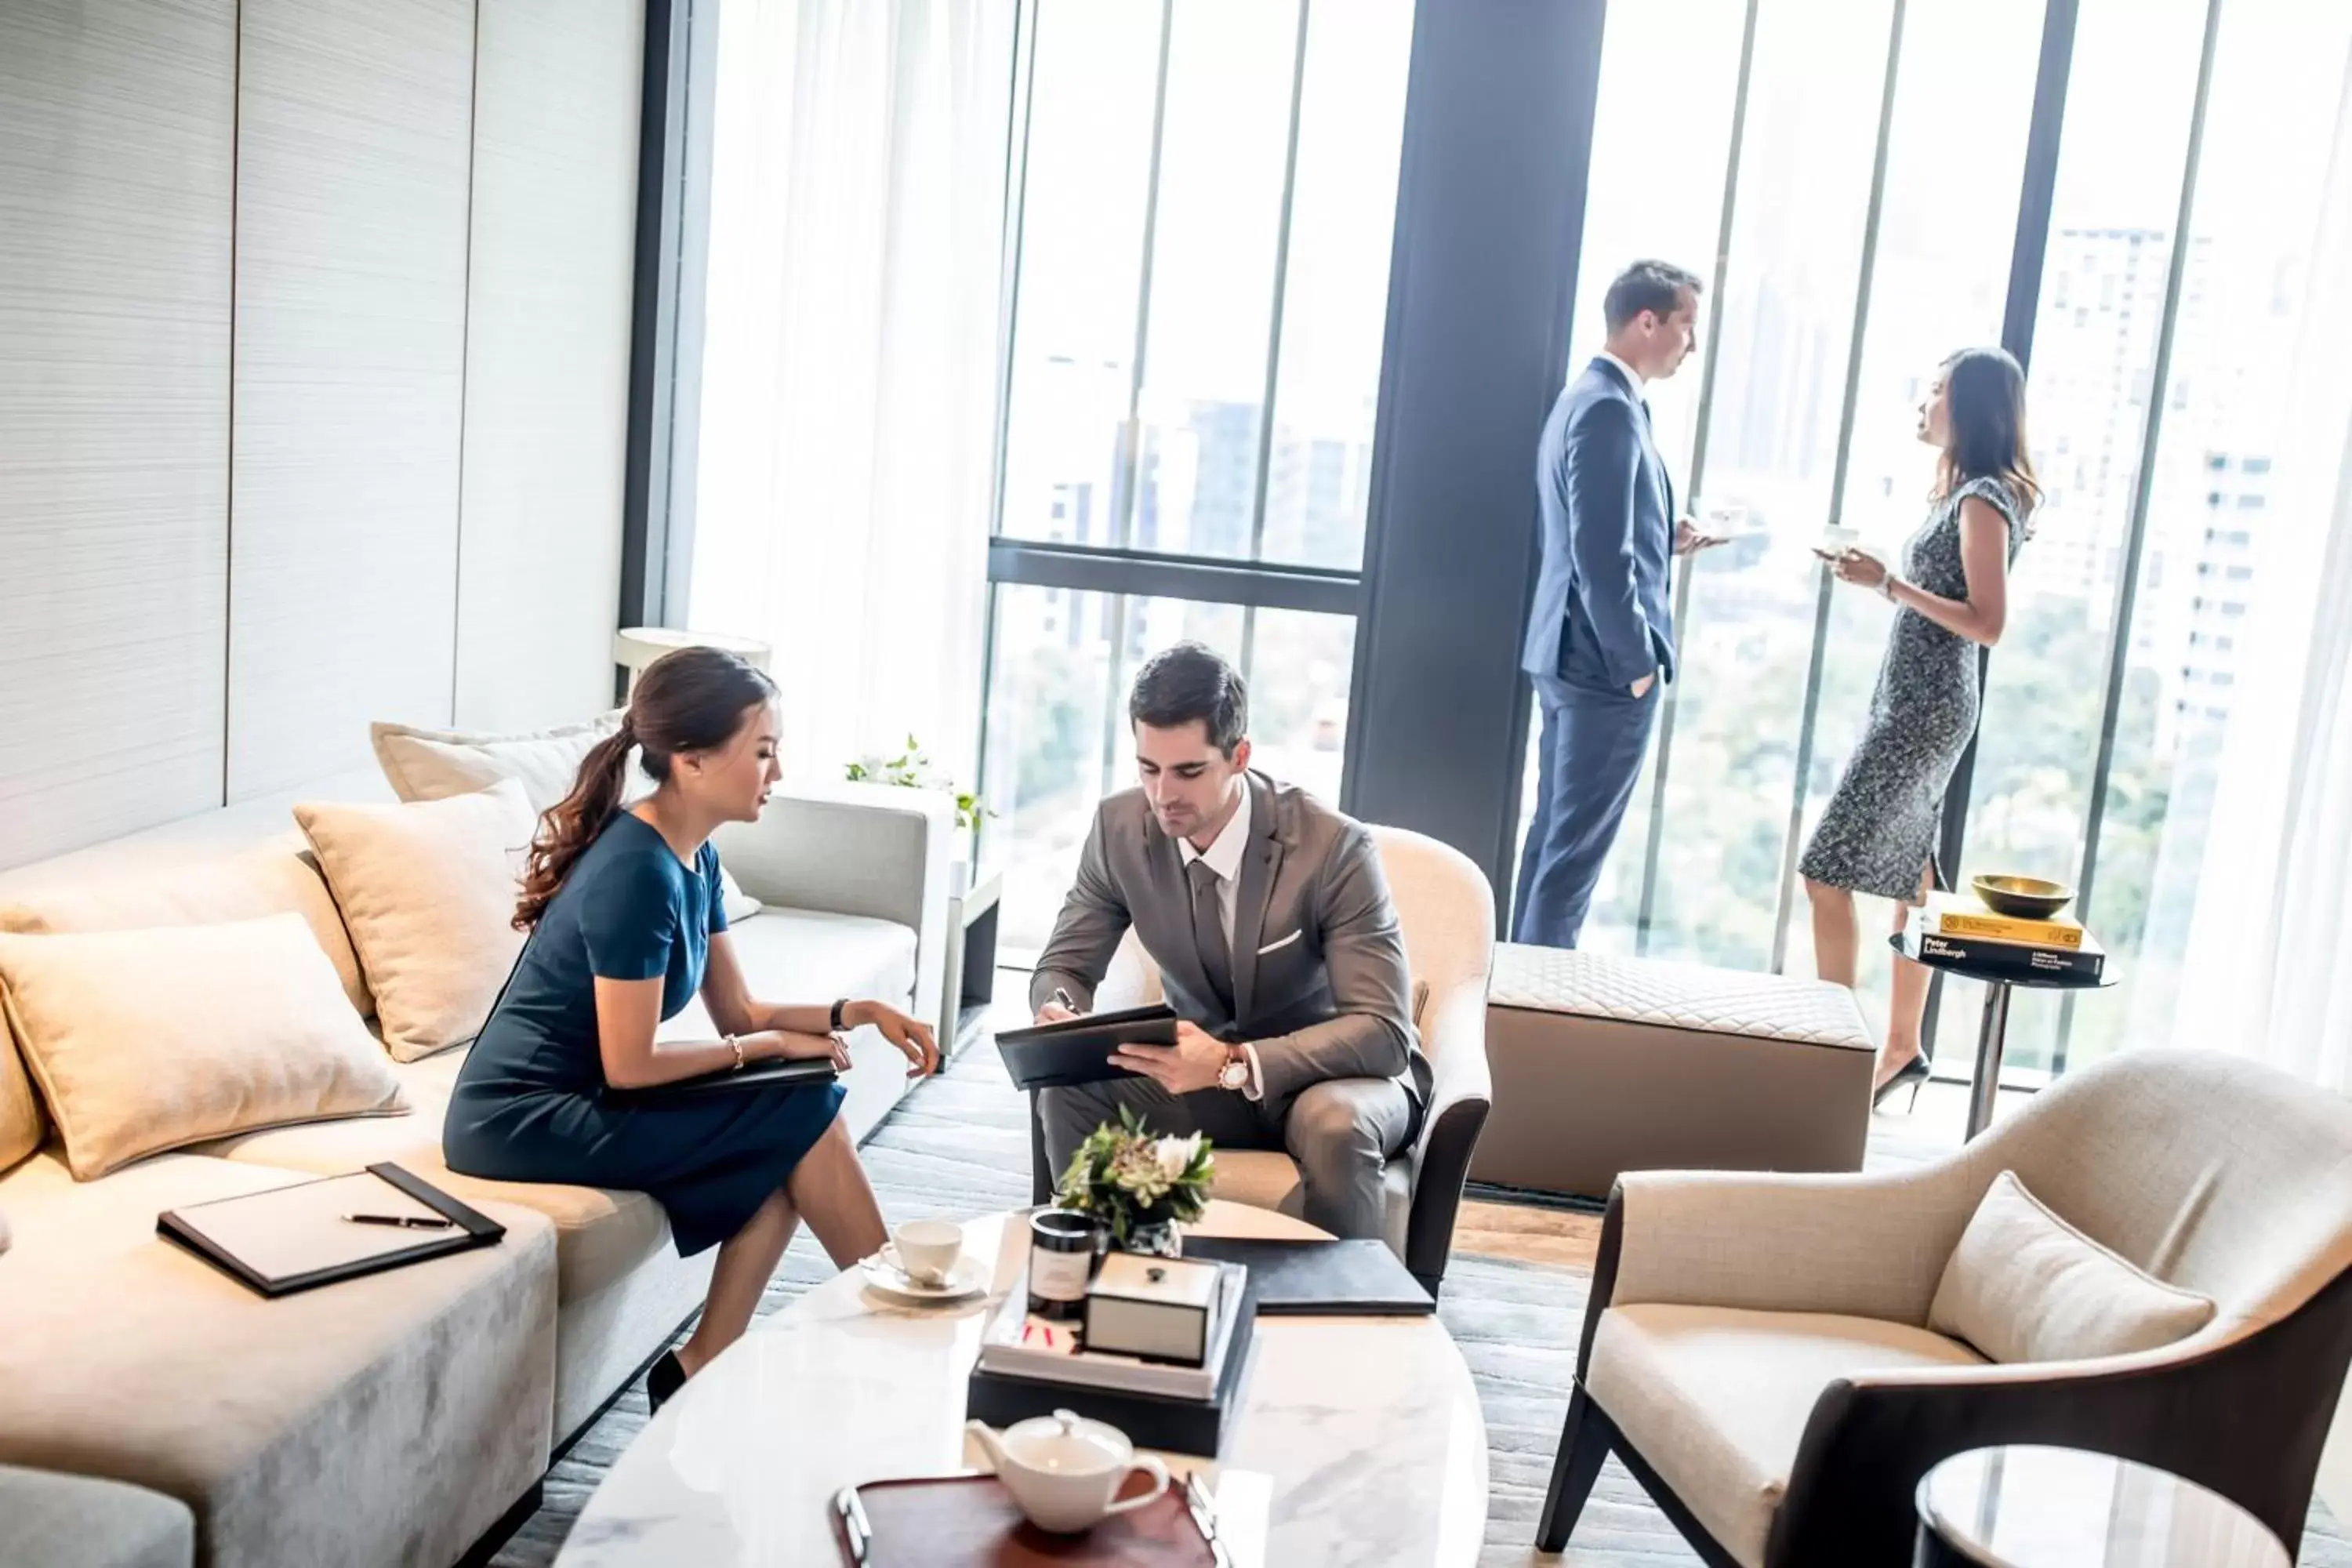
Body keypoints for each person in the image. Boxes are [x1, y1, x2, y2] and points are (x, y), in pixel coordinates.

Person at [443, 646, 938, 1410]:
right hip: (518, 1114)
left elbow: (739, 1012)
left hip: (589, 1089)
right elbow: (633, 1064)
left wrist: (859, 1011)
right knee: (796, 1105)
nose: (776, 773)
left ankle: (714, 1360)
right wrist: (765, 1050)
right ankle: (895, 1330)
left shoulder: (693, 854)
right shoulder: (635, 869)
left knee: (796, 1109)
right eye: (764, 751)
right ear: (693, 758)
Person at [1029, 642, 1425, 1240]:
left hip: (1330, 1079)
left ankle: (1339, 1316)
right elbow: (1065, 963)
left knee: (1336, 1126)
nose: (1163, 795)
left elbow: (1383, 1030)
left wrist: (1237, 1063)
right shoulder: (1118, 831)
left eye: (1189, 771)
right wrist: (1060, 1012)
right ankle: (1115, 1279)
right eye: (1148, 768)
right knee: (1069, 1091)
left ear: (1239, 756)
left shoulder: (1333, 849)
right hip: (1199, 1078)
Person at [1800, 347, 2040, 1109]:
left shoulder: (1980, 499)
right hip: (1912, 697)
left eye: (1936, 391)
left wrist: (1890, 583)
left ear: (1970, 407)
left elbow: (1988, 623)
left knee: (1824, 871)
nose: (1923, 401)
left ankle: (1835, 1047)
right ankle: (1902, 1045)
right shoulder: (1969, 492)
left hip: (1926, 707)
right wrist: (1886, 586)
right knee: (1914, 879)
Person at [1515, 259, 1722, 949]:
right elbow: (1600, 555)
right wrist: (1635, 664)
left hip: (1568, 652)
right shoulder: (1609, 407)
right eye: (1686, 325)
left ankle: (1513, 996)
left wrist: (1668, 534)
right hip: (1602, 667)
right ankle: (1531, 1024)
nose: (1692, 343)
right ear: (1647, 322)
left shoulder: (1593, 397)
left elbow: (1601, 526)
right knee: (1571, 860)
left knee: (1552, 843)